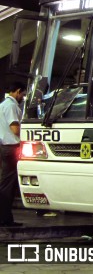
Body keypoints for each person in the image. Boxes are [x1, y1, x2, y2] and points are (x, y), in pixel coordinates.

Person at [0, 81, 27, 226]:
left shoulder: (2, 105)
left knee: (6, 183)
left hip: (4, 147)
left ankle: (6, 217)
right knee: (8, 185)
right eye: (22, 94)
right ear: (17, 91)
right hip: (12, 148)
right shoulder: (11, 106)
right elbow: (15, 130)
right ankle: (5, 218)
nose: (23, 97)